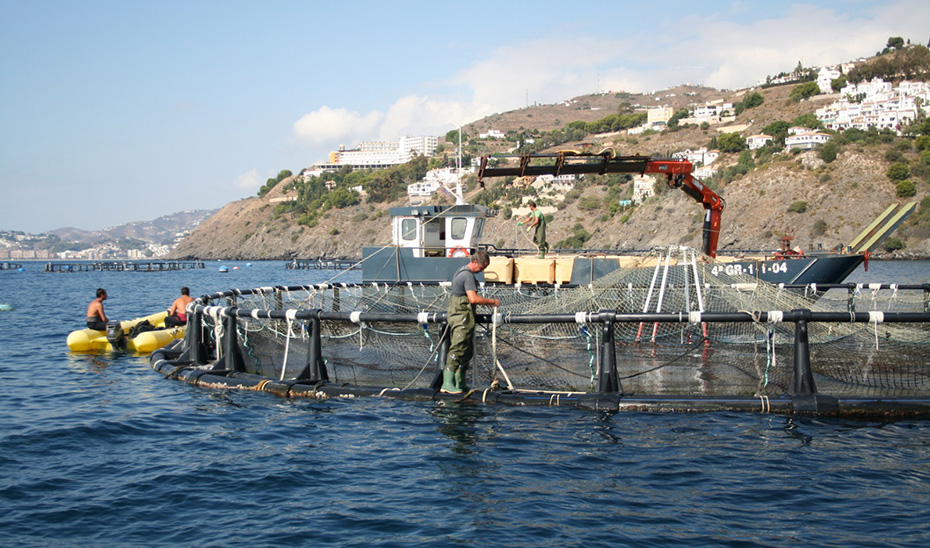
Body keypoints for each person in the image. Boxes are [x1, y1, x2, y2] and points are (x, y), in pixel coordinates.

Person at [442, 250, 501, 394]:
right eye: (482, 266)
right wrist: (492, 301)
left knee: (466, 350)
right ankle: (447, 383)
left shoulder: (461, 272)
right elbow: (473, 299)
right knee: (458, 347)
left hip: (465, 317)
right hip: (461, 317)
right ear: (475, 262)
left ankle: (460, 382)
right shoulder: (467, 275)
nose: (483, 270)